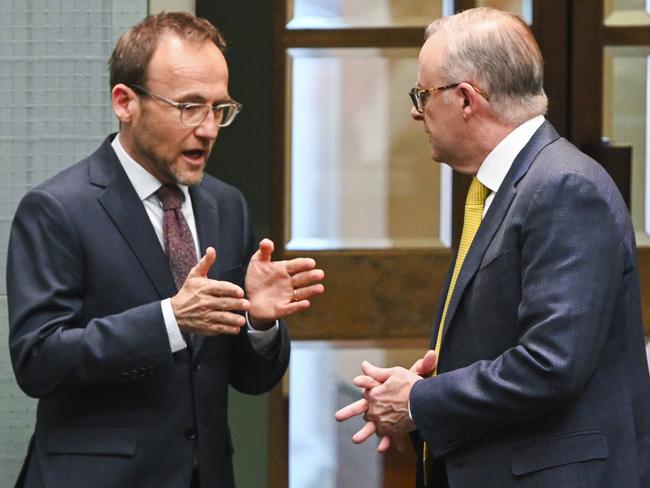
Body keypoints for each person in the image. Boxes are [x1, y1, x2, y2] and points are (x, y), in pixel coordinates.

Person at [336, 7, 650, 487]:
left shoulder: (563, 186)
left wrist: (418, 402)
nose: (417, 111)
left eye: (423, 94)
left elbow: (551, 364)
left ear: (465, 98)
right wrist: (440, 377)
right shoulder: (518, 185)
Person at [7, 11, 324, 488]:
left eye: (219, 109)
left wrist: (259, 323)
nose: (209, 129)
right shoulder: (56, 210)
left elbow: (251, 379)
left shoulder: (226, 206)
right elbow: (39, 360)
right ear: (125, 102)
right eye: (189, 107)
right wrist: (170, 321)